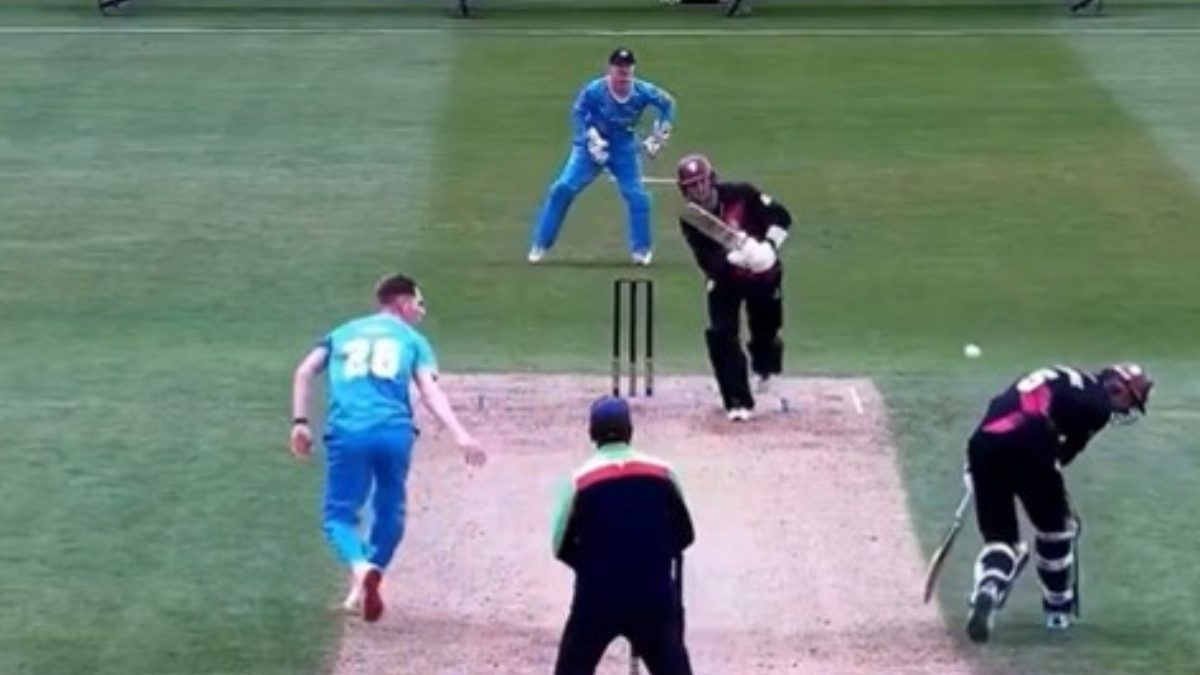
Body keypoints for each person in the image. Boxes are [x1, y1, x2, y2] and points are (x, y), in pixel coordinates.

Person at [289, 273, 486, 623]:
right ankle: (372, 570)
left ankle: (360, 567)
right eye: (420, 303)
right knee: (390, 510)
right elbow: (429, 392)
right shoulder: (414, 341)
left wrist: (300, 423)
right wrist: (460, 434)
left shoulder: (342, 332)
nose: (422, 311)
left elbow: (304, 372)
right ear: (403, 303)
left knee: (337, 516)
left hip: (347, 432)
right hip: (395, 433)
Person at [963, 363, 1153, 643]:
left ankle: (989, 587)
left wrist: (975, 466)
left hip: (984, 442)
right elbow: (1063, 452)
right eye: (1130, 401)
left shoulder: (1064, 377)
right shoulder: (1098, 407)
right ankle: (1057, 612)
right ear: (1116, 386)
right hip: (1032, 443)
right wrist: (1039, 469)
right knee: (1058, 529)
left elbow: (998, 409)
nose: (1126, 410)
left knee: (1001, 541)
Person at [551, 396, 694, 675]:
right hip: (653, 594)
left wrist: (592, 565)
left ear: (591, 434)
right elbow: (685, 534)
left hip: (596, 597)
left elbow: (560, 546)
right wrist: (654, 557)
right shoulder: (663, 473)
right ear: (631, 431)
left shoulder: (578, 481)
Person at [528, 47, 677, 266]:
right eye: (619, 68)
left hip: (623, 148)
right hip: (591, 148)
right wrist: (589, 137)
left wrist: (660, 134)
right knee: (562, 189)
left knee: (637, 196)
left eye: (627, 68)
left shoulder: (643, 91)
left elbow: (668, 104)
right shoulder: (595, 90)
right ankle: (541, 243)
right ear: (610, 69)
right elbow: (578, 112)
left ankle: (641, 250)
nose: (623, 73)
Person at [675, 152, 793, 421]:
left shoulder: (742, 195)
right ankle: (737, 399)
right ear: (685, 191)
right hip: (725, 281)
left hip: (765, 276)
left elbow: (781, 216)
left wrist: (768, 249)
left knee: (766, 329)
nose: (699, 189)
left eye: (702, 181)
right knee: (720, 335)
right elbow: (707, 260)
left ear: (712, 179)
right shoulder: (692, 219)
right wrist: (738, 258)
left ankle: (765, 370)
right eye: (692, 185)